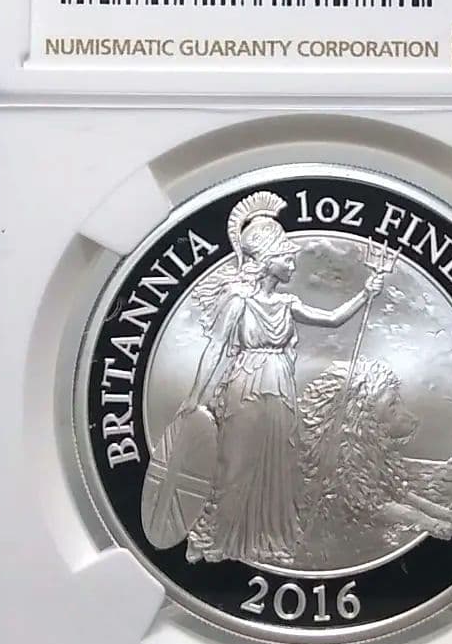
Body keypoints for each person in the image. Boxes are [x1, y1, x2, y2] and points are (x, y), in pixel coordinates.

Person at [157, 190, 383, 565]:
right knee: (236, 463)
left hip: (280, 387)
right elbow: (215, 349)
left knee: (279, 464)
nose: (293, 264)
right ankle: (213, 537)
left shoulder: (287, 303)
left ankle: (264, 539)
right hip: (247, 385)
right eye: (286, 258)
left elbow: (331, 320)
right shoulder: (237, 300)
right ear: (266, 260)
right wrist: (194, 397)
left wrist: (365, 294)